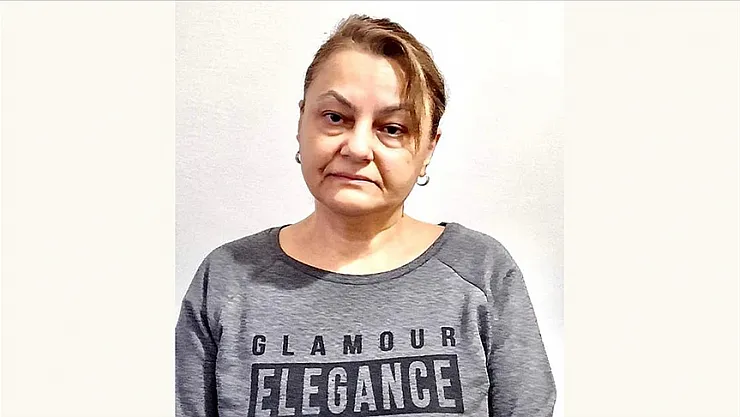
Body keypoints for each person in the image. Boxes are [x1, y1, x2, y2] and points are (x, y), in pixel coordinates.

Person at [176, 14, 556, 417]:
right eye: (335, 117)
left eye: (392, 128)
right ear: (302, 122)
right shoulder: (227, 279)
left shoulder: (481, 272)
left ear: (429, 148)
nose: (357, 148)